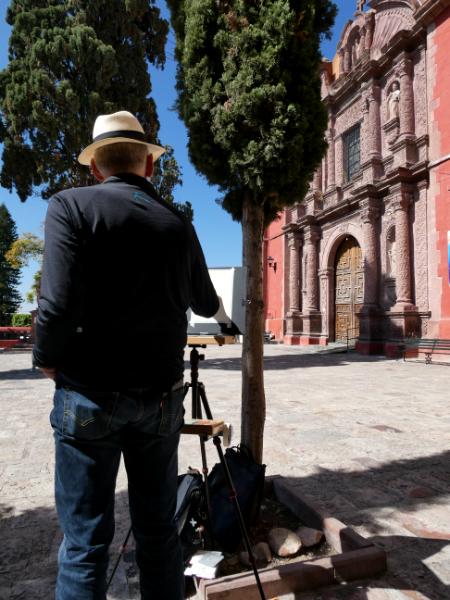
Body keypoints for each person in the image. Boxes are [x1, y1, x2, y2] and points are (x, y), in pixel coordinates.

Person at [33, 110, 220, 600]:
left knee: (86, 544)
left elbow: (54, 305)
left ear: (95, 167)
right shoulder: (179, 224)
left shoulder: (69, 207)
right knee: (159, 535)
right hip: (159, 401)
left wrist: (47, 359)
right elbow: (205, 303)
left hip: (88, 393)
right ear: (149, 166)